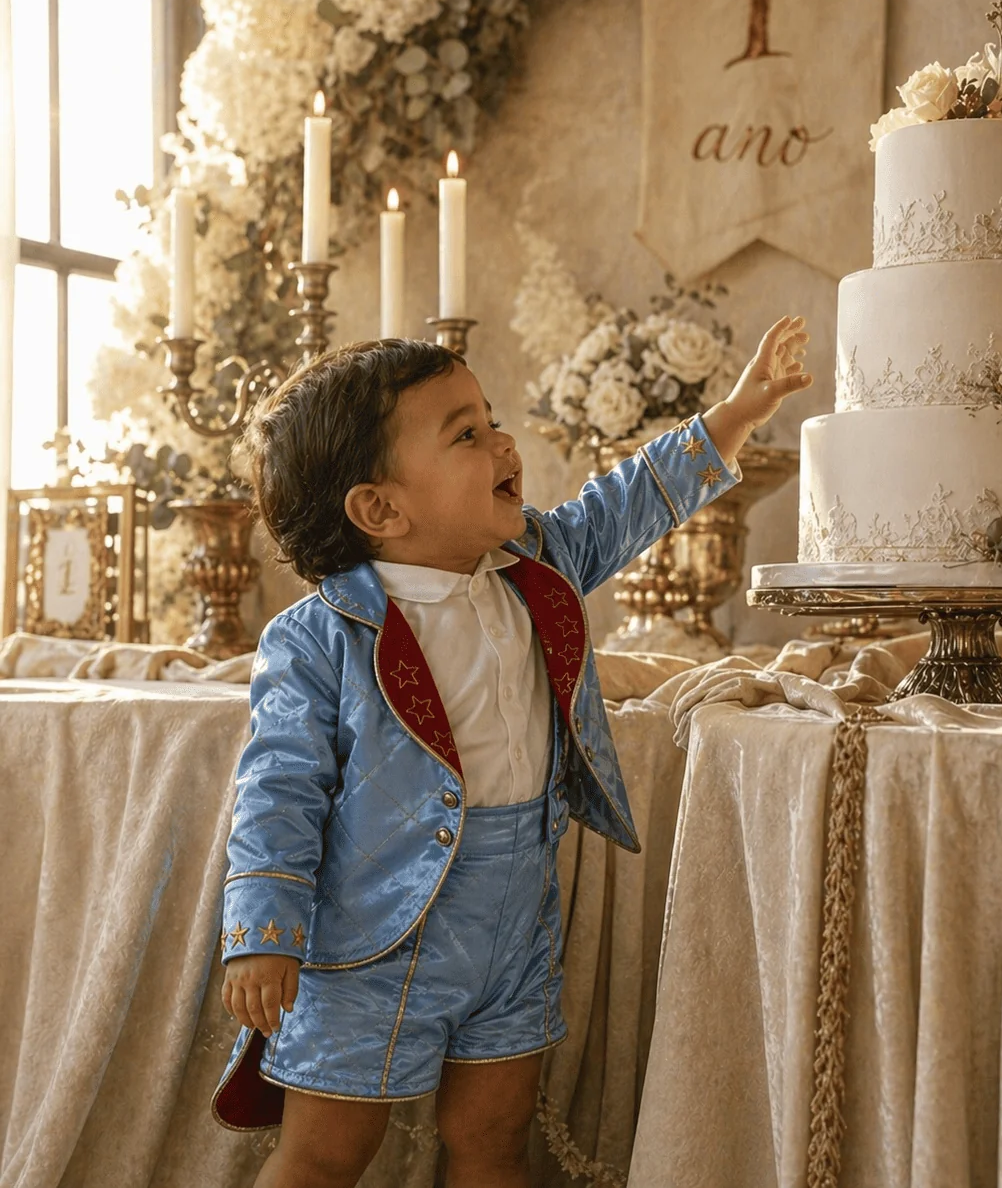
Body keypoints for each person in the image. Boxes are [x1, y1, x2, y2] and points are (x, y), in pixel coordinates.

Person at [211, 317, 811, 1188]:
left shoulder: (537, 564)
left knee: (493, 1139)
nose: (503, 441)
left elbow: (629, 501)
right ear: (381, 507)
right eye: (465, 432)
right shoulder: (319, 638)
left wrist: (734, 414)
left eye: (489, 418)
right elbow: (279, 789)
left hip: (513, 920)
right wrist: (263, 930)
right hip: (367, 932)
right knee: (324, 1155)